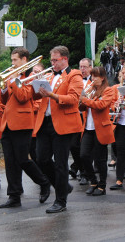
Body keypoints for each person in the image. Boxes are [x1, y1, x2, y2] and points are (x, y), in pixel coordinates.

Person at [0, 47, 51, 209]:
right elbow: (6, 99)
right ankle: (14, 196)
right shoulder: (13, 76)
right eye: (12, 60)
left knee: (22, 159)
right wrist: (4, 88)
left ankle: (44, 182)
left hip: (23, 123)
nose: (12, 63)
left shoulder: (31, 76)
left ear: (24, 60)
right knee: (10, 161)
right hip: (8, 122)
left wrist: (13, 81)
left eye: (15, 60)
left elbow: (23, 97)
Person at [33, 45, 84, 213]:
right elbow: (35, 96)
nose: (52, 63)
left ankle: (61, 201)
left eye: (55, 60)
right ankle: (63, 186)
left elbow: (73, 98)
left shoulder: (74, 74)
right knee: (42, 159)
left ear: (64, 59)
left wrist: (52, 95)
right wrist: (34, 85)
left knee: (61, 163)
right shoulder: (48, 75)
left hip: (63, 124)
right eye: (51, 60)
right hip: (45, 122)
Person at [79, 67, 115, 196]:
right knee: (83, 155)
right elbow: (83, 107)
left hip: (101, 128)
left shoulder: (108, 90)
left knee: (100, 160)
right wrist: (81, 101)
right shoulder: (91, 90)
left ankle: (102, 185)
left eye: (95, 76)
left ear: (102, 77)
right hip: (88, 128)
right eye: (92, 76)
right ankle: (93, 182)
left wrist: (83, 99)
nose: (92, 79)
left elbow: (101, 106)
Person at [69, 58, 93, 185]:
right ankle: (79, 167)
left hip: (86, 116)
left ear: (90, 67)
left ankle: (85, 173)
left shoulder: (93, 82)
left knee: (84, 147)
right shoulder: (74, 79)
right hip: (74, 115)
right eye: (80, 67)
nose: (82, 69)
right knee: (73, 146)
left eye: (85, 67)